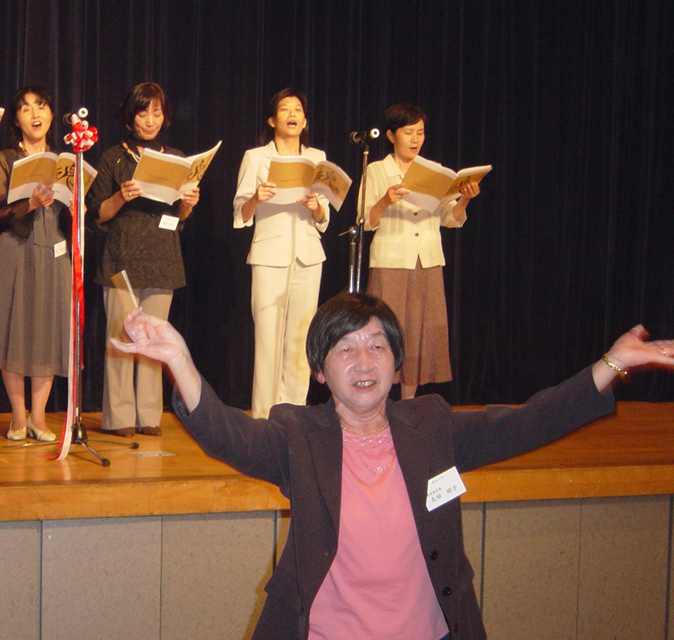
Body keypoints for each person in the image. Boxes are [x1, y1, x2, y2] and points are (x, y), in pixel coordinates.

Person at [111, 291, 674, 640]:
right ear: (320, 371)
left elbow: (531, 421)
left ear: (397, 362)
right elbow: (226, 434)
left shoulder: (431, 426)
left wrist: (613, 362)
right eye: (345, 348)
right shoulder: (298, 435)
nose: (364, 361)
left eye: (378, 346)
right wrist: (179, 359)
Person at [85, 82, 199, 437]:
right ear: (130, 117)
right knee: (122, 338)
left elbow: (179, 217)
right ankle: (119, 417)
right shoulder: (113, 158)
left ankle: (149, 414)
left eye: (157, 113)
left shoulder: (175, 157)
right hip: (121, 256)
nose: (150, 120)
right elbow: (97, 214)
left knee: (155, 338)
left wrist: (188, 203)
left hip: (162, 256)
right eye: (143, 113)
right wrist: (121, 196)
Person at [364, 103, 479, 400]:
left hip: (426, 260)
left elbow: (449, 218)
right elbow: (366, 221)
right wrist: (386, 200)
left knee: (419, 332)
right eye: (408, 132)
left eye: (420, 132)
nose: (415, 139)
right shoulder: (377, 170)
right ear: (391, 135)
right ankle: (378, 402)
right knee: (385, 332)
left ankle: (408, 404)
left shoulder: (432, 170)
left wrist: (464, 199)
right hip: (391, 260)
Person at [0, 86, 71, 442]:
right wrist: (29, 204)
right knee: (11, 333)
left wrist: (78, 205)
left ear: (51, 114)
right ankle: (18, 416)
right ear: (16, 118)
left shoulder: (64, 160)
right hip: (15, 250)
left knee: (47, 334)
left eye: (41, 106)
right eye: (26, 108)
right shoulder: (4, 159)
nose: (35, 113)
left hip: (54, 252)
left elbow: (76, 215)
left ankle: (39, 418)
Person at [233, 88, 330, 419]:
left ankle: (293, 415)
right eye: (285, 109)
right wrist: (256, 198)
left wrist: (317, 206)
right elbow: (241, 212)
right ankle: (264, 417)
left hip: (308, 254)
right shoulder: (256, 158)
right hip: (269, 254)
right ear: (272, 120)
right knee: (268, 339)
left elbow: (324, 217)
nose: (292, 114)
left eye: (298, 109)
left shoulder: (317, 157)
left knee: (301, 339)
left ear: (305, 121)